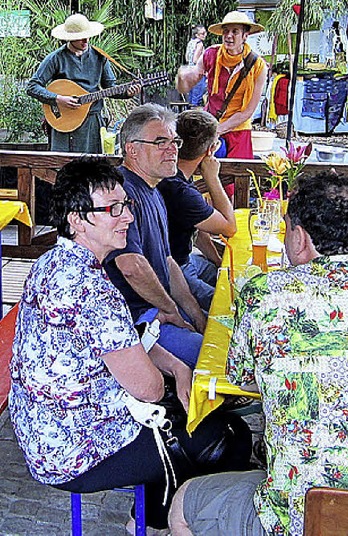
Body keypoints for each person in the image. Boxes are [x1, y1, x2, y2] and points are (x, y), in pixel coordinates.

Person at [169, 171, 348, 536]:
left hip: (312, 518)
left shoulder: (266, 295)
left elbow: (243, 378)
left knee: (182, 506)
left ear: (300, 237)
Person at [9, 157, 251, 535]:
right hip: (74, 451)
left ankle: (149, 517)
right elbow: (148, 389)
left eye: (127, 206)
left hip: (45, 432)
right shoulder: (92, 289)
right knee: (226, 436)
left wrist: (175, 365)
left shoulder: (52, 263)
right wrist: (167, 376)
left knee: (186, 407)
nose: (126, 217)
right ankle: (164, 523)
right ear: (77, 219)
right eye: (113, 210)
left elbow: (117, 343)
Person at [104, 104, 206, 369]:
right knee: (216, 361)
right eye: (161, 142)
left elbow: (168, 261)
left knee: (222, 331)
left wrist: (195, 314)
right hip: (132, 320)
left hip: (158, 309)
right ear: (132, 149)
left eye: (175, 141)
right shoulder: (120, 193)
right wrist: (172, 311)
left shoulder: (154, 190)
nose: (173, 150)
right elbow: (131, 267)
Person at [158, 109, 236, 311]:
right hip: (172, 270)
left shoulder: (177, 174)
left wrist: (218, 262)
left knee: (231, 279)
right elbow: (230, 227)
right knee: (228, 304)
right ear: (210, 150)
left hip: (187, 259)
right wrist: (212, 178)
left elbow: (199, 227)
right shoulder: (179, 190)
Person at [26, 13, 136, 153]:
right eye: (79, 37)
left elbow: (111, 87)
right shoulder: (56, 58)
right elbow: (33, 86)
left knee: (92, 166)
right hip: (64, 121)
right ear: (70, 38)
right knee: (63, 166)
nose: (85, 40)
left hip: (92, 122)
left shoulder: (100, 57)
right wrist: (58, 99)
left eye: (87, 35)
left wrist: (127, 93)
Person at [176, 11, 268, 162]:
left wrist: (217, 130)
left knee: (236, 179)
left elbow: (248, 111)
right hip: (210, 121)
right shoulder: (211, 54)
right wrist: (182, 78)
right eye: (226, 31)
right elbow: (190, 80)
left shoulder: (258, 66)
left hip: (239, 129)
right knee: (203, 177)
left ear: (245, 35)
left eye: (235, 31)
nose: (229, 36)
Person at [185, 24, 207, 107]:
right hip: (198, 73)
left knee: (191, 98)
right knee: (196, 100)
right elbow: (195, 60)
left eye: (205, 33)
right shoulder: (199, 44)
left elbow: (187, 58)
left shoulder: (190, 42)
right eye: (202, 33)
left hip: (189, 72)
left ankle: (188, 117)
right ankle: (193, 118)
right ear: (197, 35)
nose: (205, 35)